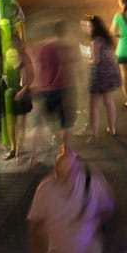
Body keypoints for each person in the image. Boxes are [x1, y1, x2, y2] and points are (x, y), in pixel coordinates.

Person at [33, 22, 78, 154]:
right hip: (65, 88)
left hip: (47, 89)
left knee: (41, 122)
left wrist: (38, 86)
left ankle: (33, 155)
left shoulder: (44, 48)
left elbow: (38, 68)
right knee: (66, 123)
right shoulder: (67, 48)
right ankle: (66, 151)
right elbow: (71, 67)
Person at [85, 14, 120, 138]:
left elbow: (96, 60)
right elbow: (111, 55)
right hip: (109, 73)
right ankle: (112, 129)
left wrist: (86, 58)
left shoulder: (95, 41)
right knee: (109, 102)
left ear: (94, 27)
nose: (86, 28)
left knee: (93, 104)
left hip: (99, 74)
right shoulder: (108, 38)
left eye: (88, 26)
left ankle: (93, 131)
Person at [6, 38, 35, 160]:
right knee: (11, 123)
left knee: (20, 123)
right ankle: (13, 148)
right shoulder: (8, 56)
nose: (14, 46)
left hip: (22, 94)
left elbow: (31, 76)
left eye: (15, 43)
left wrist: (22, 92)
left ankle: (18, 150)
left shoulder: (24, 57)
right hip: (11, 94)